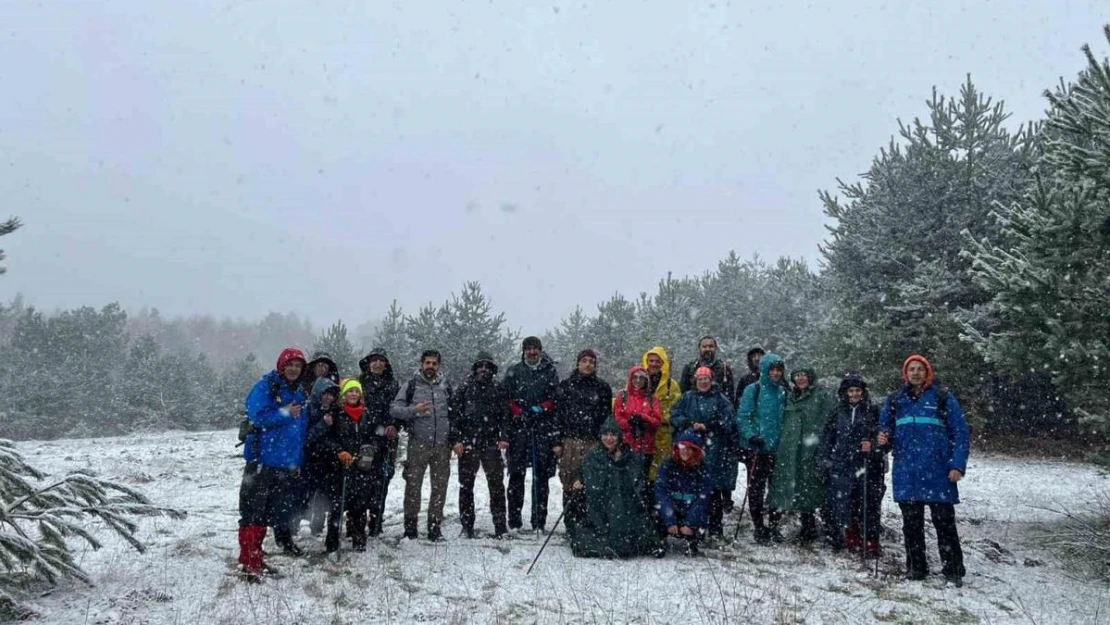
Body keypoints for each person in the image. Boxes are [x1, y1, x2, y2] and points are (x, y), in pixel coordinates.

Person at [878, 355, 969, 586]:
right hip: (907, 472)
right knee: (911, 524)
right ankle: (916, 569)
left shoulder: (942, 398)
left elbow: (960, 433)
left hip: (938, 472)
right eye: (911, 369)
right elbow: (884, 433)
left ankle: (953, 570)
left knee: (944, 523)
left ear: (927, 372)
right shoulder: (895, 400)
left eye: (920, 369)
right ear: (905, 374)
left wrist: (957, 465)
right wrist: (882, 439)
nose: (916, 373)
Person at [237, 348, 307, 582]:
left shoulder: (298, 392)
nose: (294, 369)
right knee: (252, 513)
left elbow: (298, 432)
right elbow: (257, 417)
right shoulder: (266, 386)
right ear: (281, 365)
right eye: (290, 364)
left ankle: (256, 557)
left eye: (298, 365)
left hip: (282, 464)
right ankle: (248, 563)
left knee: (266, 513)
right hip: (261, 461)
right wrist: (285, 413)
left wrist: (295, 461)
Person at [569, 417, 661, 559]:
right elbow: (583, 471)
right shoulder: (593, 455)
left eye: (613, 435)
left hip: (624, 502)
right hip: (600, 502)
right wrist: (578, 480)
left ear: (619, 437)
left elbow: (636, 478)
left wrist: (619, 468)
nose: (609, 439)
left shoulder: (629, 455)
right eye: (606, 435)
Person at [309, 379, 379, 552]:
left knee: (359, 504)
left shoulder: (367, 415)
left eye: (356, 391)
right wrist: (339, 451)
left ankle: (358, 538)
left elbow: (375, 436)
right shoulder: (336, 414)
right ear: (344, 395)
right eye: (350, 391)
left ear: (360, 395)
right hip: (338, 467)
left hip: (361, 467)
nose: (353, 394)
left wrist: (371, 448)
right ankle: (332, 541)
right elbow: (327, 439)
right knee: (337, 505)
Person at [767, 366, 835, 545]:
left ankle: (817, 529)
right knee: (786, 486)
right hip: (788, 451)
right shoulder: (788, 397)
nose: (801, 378)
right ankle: (776, 526)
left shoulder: (822, 396)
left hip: (811, 449)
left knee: (811, 488)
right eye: (797, 376)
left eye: (804, 375)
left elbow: (832, 420)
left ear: (810, 377)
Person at [391, 349, 453, 541]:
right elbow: (394, 409)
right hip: (418, 443)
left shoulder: (446, 386)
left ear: (439, 366)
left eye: (434, 363)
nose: (430, 367)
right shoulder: (410, 385)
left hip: (442, 445)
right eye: (427, 363)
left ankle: (434, 527)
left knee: (440, 487)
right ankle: (410, 529)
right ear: (421, 364)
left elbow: (455, 413)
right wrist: (413, 410)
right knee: (413, 487)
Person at [448, 351, 511, 539]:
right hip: (468, 444)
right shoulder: (464, 389)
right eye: (480, 366)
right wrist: (456, 440)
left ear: (492, 369)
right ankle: (467, 525)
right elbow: (454, 416)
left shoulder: (498, 389)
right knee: (466, 486)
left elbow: (505, 417)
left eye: (487, 366)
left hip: (491, 444)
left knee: (497, 486)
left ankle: (500, 526)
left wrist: (504, 436)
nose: (483, 369)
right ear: (475, 368)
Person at [670, 366, 737, 539]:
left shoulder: (721, 399)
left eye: (706, 379)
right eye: (700, 379)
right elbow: (674, 415)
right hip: (691, 447)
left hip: (714, 449)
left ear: (711, 380)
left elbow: (729, 420)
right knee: (691, 488)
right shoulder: (687, 397)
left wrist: (709, 426)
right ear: (695, 380)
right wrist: (689, 424)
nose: (703, 382)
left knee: (713, 489)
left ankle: (715, 527)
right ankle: (692, 526)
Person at [823, 373, 884, 556]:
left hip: (867, 463)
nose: (854, 394)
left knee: (869, 502)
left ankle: (871, 540)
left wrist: (872, 445)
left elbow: (883, 437)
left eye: (858, 390)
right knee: (847, 501)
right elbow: (828, 438)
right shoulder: (837, 412)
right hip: (843, 463)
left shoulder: (873, 411)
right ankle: (852, 535)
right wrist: (826, 460)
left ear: (863, 392)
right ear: (845, 393)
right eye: (851, 391)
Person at [502, 336, 559, 533]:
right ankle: (515, 521)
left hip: (542, 428)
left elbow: (555, 397)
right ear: (523, 351)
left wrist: (542, 408)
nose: (532, 352)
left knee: (540, 478)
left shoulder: (549, 371)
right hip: (519, 429)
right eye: (529, 349)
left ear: (540, 351)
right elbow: (506, 397)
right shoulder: (514, 371)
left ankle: (539, 522)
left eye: (536, 349)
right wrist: (517, 411)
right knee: (516, 475)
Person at [553, 349, 613, 532]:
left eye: (591, 362)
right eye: (584, 361)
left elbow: (606, 417)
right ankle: (571, 523)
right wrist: (556, 441)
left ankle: (591, 522)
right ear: (578, 363)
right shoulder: (566, 386)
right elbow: (557, 415)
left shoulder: (603, 388)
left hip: (594, 442)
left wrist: (607, 441)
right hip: (570, 441)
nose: (588, 364)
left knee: (592, 483)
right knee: (570, 482)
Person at [737, 353, 789, 544]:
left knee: (778, 489)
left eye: (778, 369)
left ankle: (774, 525)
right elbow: (743, 415)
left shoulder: (783, 391)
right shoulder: (754, 389)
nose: (775, 373)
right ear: (765, 370)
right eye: (772, 369)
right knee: (756, 489)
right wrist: (751, 435)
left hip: (778, 449)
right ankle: (759, 527)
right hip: (757, 448)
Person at [357, 348, 401, 537]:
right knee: (360, 482)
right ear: (368, 363)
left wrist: (395, 425)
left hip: (387, 442)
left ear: (386, 364)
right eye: (374, 360)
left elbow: (400, 408)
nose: (377, 364)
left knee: (382, 481)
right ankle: (357, 522)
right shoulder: (359, 383)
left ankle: (376, 522)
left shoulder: (393, 384)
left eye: (381, 360)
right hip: (363, 440)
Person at [654, 431, 712, 557]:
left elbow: (703, 498)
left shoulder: (702, 468)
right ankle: (658, 541)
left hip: (690, 510)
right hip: (671, 509)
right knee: (655, 510)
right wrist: (669, 519)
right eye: (683, 448)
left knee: (703, 512)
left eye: (690, 448)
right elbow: (661, 492)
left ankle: (692, 541)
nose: (685, 451)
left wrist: (690, 523)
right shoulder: (667, 465)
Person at [612, 366, 662, 500]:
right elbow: (617, 417)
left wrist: (643, 418)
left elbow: (657, 421)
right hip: (626, 445)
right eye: (635, 377)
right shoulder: (622, 396)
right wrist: (629, 424)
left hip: (646, 447)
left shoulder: (652, 399)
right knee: (624, 481)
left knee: (641, 483)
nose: (638, 381)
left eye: (641, 378)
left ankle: (638, 512)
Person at [301, 376, 341, 541]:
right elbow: (305, 437)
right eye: (326, 393)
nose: (329, 397)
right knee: (316, 495)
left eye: (332, 394)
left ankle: (332, 532)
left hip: (331, 462)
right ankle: (315, 527)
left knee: (332, 497)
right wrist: (323, 425)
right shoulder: (308, 410)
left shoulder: (334, 411)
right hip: (313, 461)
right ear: (318, 393)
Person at [642, 346, 682, 482]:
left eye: (657, 361)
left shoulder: (672, 385)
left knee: (661, 471)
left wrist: (660, 418)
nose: (654, 364)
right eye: (651, 360)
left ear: (663, 363)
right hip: (642, 433)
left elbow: (677, 408)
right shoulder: (638, 380)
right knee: (641, 470)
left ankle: (657, 500)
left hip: (663, 434)